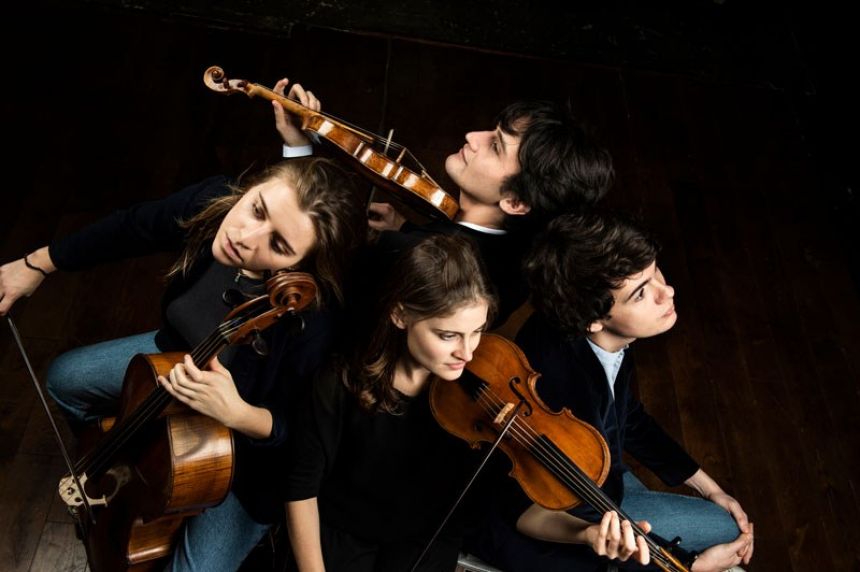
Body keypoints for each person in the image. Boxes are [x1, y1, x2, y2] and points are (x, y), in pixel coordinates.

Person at [0, 156, 367, 571]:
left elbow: (303, 439)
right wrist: (38, 264)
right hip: (174, 358)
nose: (246, 236)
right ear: (250, 188)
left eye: (279, 245)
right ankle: (133, 466)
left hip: (246, 464)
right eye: (257, 208)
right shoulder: (212, 204)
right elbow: (131, 227)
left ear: (300, 266)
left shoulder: (313, 320)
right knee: (66, 379)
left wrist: (241, 414)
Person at [465, 211, 754, 572]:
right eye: (642, 293)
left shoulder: (592, 330)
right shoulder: (559, 388)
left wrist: (708, 487)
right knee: (723, 530)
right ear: (593, 319)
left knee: (713, 518)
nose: (668, 292)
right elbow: (530, 512)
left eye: (656, 273)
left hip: (599, 473)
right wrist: (690, 565)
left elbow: (629, 415)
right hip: (557, 512)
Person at [270, 78, 615, 323]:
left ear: (516, 202)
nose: (472, 137)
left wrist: (298, 146)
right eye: (491, 131)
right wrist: (403, 226)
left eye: (495, 146)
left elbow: (299, 258)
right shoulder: (519, 261)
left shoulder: (407, 255)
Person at [283, 234, 496, 572]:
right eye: (448, 335)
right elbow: (300, 492)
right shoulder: (337, 382)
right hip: (340, 539)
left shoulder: (477, 394)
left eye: (477, 331)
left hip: (422, 546)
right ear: (399, 315)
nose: (467, 352)